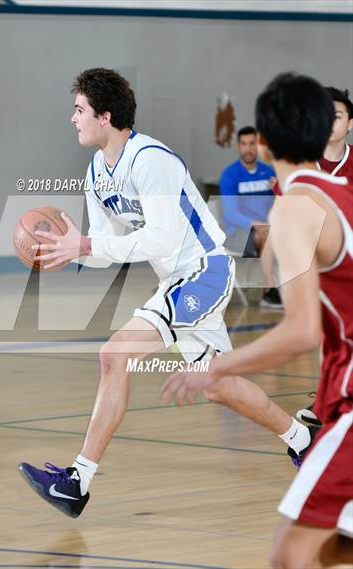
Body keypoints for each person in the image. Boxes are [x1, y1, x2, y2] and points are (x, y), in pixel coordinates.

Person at [18, 68, 311, 519]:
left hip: (203, 271)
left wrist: (89, 245)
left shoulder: (152, 160)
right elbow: (107, 245)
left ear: (105, 115)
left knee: (114, 355)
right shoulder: (98, 171)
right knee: (218, 386)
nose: (73, 119)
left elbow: (158, 240)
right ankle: (303, 441)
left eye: (79, 110)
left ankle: (77, 482)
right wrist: (72, 251)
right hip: (180, 278)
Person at [162, 72, 353, 569]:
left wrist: (216, 368)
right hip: (340, 390)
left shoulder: (296, 209)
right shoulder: (338, 194)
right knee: (313, 549)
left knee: (290, 556)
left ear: (263, 143)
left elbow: (301, 331)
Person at [296, 86, 353, 427]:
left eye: (338, 116)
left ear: (350, 123)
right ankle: (329, 398)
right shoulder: (302, 166)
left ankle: (329, 399)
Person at [219, 126, 280, 309]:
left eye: (252, 143)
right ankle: (269, 293)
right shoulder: (230, 175)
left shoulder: (268, 172)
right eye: (244, 144)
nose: (248, 149)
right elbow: (231, 214)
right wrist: (258, 224)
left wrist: (279, 189)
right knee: (268, 234)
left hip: (266, 231)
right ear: (238, 147)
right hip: (237, 235)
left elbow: (279, 205)